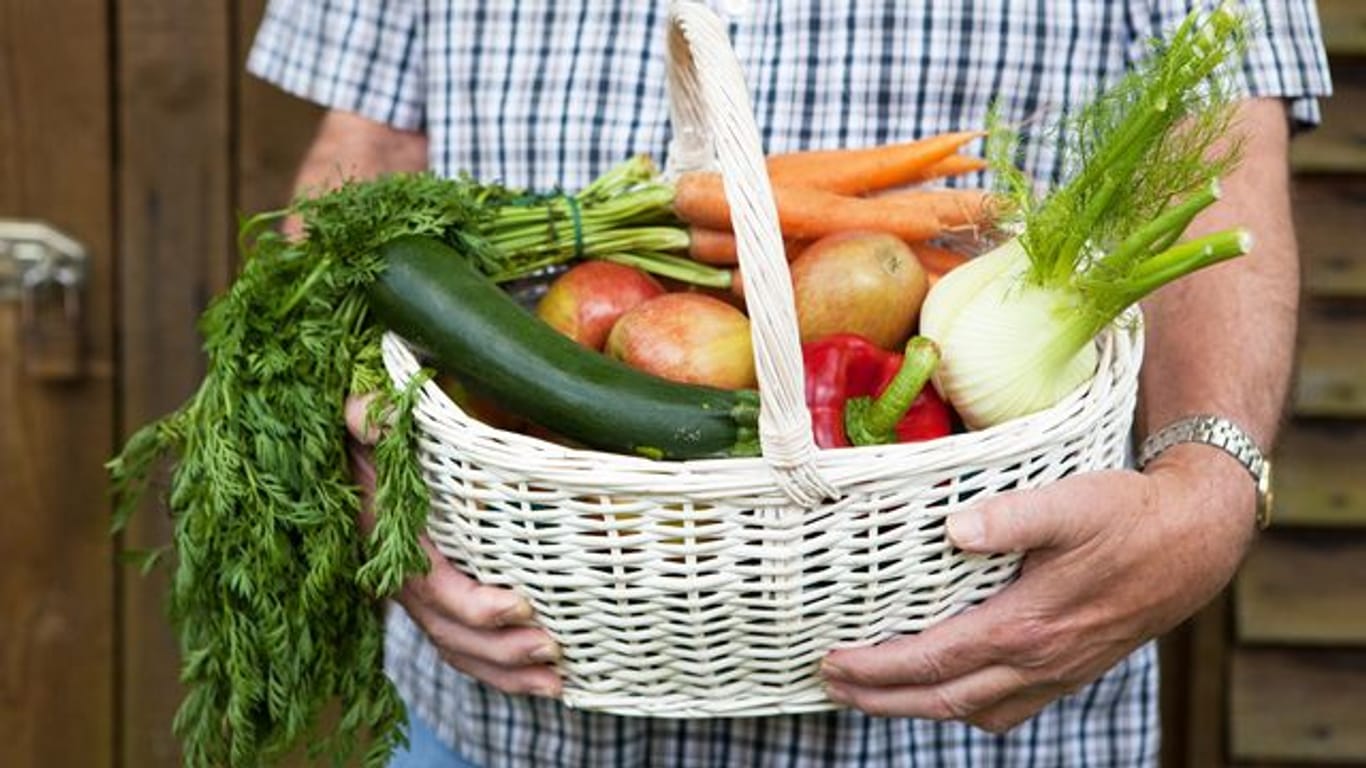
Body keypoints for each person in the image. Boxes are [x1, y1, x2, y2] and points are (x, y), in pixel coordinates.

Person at [249, 2, 1331, 765]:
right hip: (503, 713)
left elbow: (1216, 162)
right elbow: (365, 158)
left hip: (980, 723)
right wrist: (370, 478)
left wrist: (1206, 493)